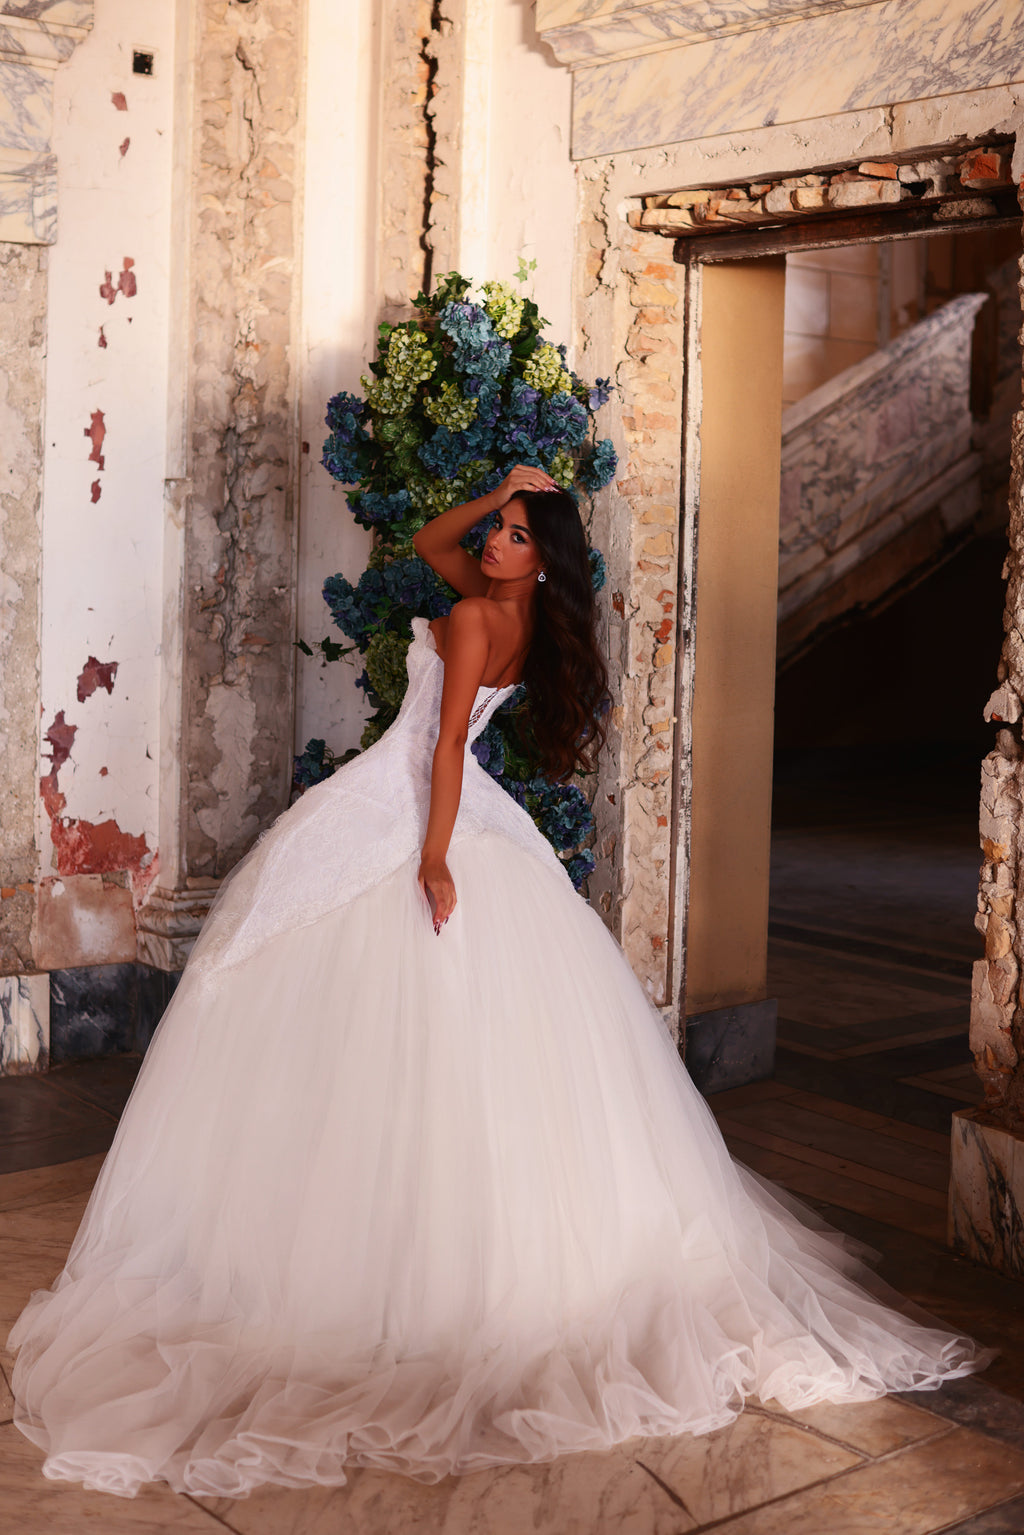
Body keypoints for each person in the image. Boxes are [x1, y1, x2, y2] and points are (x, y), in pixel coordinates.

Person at [9, 465, 987, 1500]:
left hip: (421, 810)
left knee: (343, 999)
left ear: (542, 558)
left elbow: (437, 751)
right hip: (469, 811)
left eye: (518, 534)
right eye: (500, 531)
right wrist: (499, 495)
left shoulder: (475, 618)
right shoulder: (514, 617)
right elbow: (439, 549)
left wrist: (430, 860)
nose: (491, 544)